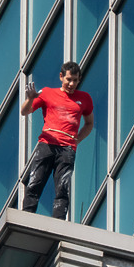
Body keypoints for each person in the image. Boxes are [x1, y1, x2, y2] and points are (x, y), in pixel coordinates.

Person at [21, 61, 94, 219]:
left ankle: (58, 223)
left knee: (62, 188)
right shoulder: (47, 93)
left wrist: (77, 140)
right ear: (61, 77)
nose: (72, 83)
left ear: (79, 79)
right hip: (47, 144)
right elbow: (24, 111)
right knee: (35, 182)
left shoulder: (85, 98)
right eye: (69, 79)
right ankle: (26, 219)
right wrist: (29, 99)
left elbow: (89, 124)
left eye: (75, 80)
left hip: (67, 148)